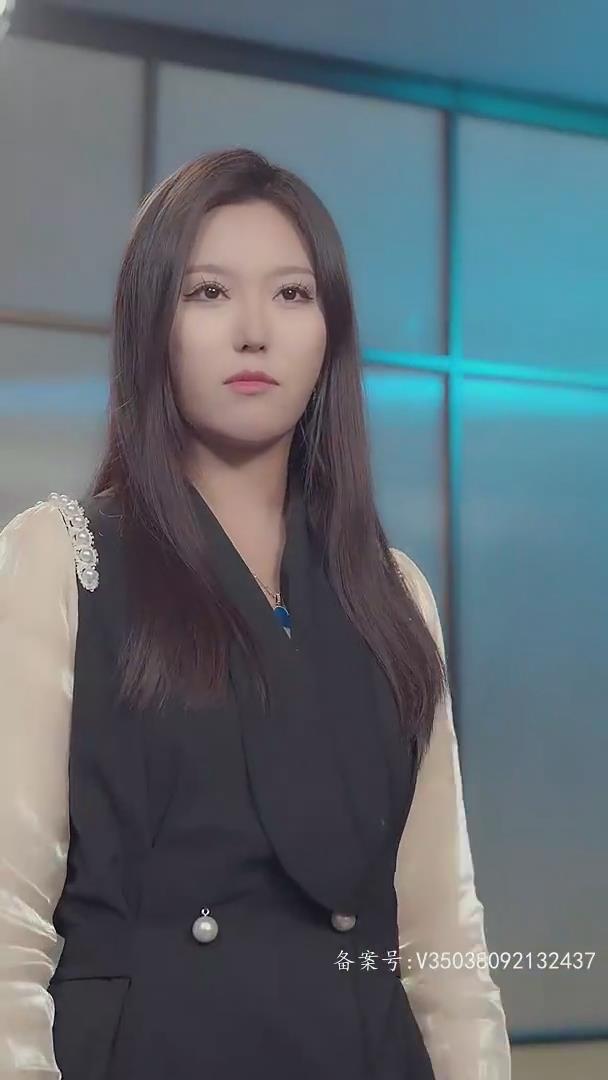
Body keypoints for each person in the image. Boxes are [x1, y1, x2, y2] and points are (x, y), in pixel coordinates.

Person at [0, 147, 510, 1080]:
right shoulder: (63, 560)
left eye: (291, 294)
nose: (253, 332)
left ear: (329, 331)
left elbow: (443, 934)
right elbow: (8, 925)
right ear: (151, 325)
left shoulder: (394, 595)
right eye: (207, 293)